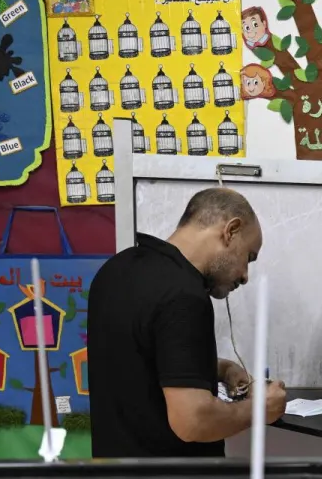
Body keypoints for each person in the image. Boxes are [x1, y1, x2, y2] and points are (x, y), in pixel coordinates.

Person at [87, 187, 286, 458]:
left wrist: (221, 369)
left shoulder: (117, 269)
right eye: (248, 257)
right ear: (231, 231)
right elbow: (193, 422)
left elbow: (138, 362)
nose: (244, 275)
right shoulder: (183, 295)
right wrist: (261, 409)